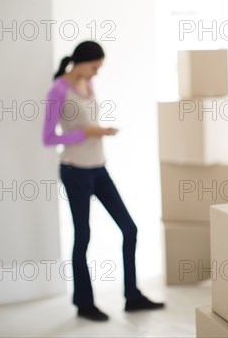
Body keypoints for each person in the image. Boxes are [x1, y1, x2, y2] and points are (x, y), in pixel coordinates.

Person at [43, 41, 164, 322]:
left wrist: (99, 131)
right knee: (83, 237)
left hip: (99, 169)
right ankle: (84, 304)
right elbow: (49, 137)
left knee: (129, 228)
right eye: (95, 67)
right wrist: (86, 132)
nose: (96, 73)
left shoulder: (88, 84)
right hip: (75, 171)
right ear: (81, 62)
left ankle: (132, 297)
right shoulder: (58, 89)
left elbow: (88, 122)